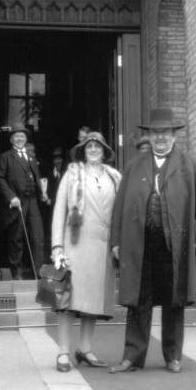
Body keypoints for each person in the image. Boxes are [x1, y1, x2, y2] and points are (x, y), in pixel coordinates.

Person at [109, 107, 196, 374]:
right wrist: (116, 242)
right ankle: (132, 356)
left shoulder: (191, 164)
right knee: (138, 300)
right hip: (140, 244)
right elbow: (119, 207)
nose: (161, 138)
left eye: (165, 133)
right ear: (150, 137)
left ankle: (172, 356)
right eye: (156, 133)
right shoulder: (134, 166)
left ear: (174, 136)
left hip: (175, 244)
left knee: (173, 298)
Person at [51, 132, 122, 372]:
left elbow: (119, 214)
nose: (93, 150)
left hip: (103, 248)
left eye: (97, 146)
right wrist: (57, 247)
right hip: (75, 246)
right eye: (89, 146)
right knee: (68, 300)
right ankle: (63, 351)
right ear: (83, 150)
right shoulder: (72, 175)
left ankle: (85, 349)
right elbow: (59, 211)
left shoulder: (115, 177)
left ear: (104, 151)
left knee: (93, 301)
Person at [0, 123, 45, 280]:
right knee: (16, 239)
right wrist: (11, 197)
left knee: (38, 236)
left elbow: (37, 179)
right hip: (17, 203)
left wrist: (43, 193)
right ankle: (17, 274)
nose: (19, 139)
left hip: (33, 202)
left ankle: (39, 272)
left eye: (22, 136)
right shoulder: (5, 157)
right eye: (16, 136)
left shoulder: (31, 157)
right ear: (11, 139)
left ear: (26, 139)